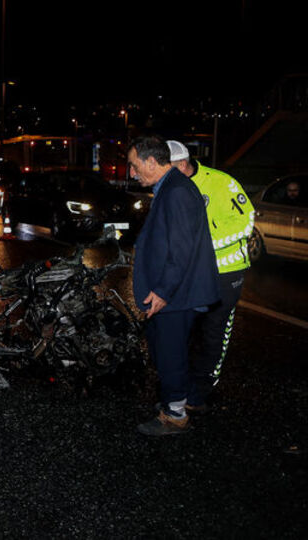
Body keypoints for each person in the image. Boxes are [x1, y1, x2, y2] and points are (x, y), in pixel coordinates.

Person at [127, 135, 219, 436]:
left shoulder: (176, 192)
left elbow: (180, 249)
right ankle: (181, 398)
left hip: (177, 293)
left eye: (134, 165)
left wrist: (164, 290)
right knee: (164, 346)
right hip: (176, 290)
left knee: (170, 352)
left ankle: (175, 414)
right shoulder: (170, 187)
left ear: (152, 162)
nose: (131, 172)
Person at [167, 140, 254, 413]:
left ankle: (200, 392)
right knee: (186, 331)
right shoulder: (171, 188)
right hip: (189, 275)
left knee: (214, 332)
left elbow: (245, 222)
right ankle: (182, 389)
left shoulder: (221, 183)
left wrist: (203, 246)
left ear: (182, 164)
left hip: (225, 274)